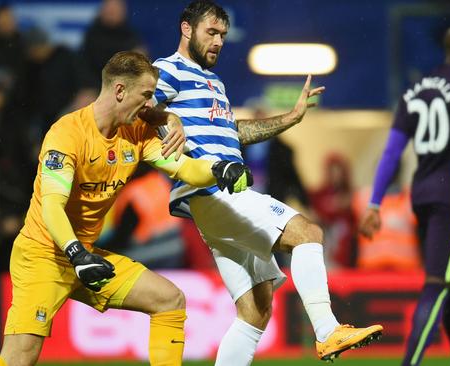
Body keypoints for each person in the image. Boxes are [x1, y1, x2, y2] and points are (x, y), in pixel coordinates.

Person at [0, 50, 253, 366]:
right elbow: (51, 206)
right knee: (17, 361)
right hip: (43, 255)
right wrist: (76, 254)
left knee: (169, 300)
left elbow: (182, 167)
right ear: (120, 90)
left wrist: (218, 169)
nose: (151, 104)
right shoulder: (66, 134)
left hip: (86, 254)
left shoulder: (136, 132)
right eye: (147, 95)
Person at [151, 1, 382, 364]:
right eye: (210, 32)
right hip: (214, 192)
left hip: (216, 205)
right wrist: (165, 116)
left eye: (223, 35)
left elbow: (235, 132)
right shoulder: (168, 69)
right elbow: (139, 106)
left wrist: (291, 117)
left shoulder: (214, 82)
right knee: (308, 233)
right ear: (186, 29)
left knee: (255, 312)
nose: (218, 42)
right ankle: (327, 330)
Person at [359, 25, 450, 366]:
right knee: (438, 284)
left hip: (421, 197)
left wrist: (375, 202)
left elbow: (392, 153)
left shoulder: (413, 92)